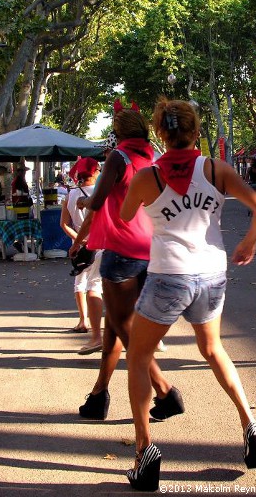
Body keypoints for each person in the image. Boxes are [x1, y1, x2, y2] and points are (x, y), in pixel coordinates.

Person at [121, 98, 256, 491]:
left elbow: (124, 215)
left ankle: (145, 451)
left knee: (139, 357)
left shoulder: (146, 177)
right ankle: (248, 422)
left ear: (160, 133)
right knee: (213, 350)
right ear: (196, 131)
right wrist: (249, 243)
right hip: (211, 273)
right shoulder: (216, 169)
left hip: (168, 275)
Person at [71, 107, 178, 421]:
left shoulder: (118, 158)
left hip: (121, 248)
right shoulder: (151, 158)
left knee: (122, 325)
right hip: (150, 248)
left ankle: (165, 391)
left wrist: (81, 202)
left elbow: (97, 200)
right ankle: (98, 395)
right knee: (114, 326)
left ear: (119, 132)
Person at [60, 157, 103, 354]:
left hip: (78, 243)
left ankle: (83, 320)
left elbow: (64, 224)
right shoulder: (102, 193)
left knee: (80, 281)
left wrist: (78, 240)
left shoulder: (69, 196)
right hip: (101, 242)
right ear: (94, 172)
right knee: (98, 285)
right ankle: (101, 329)